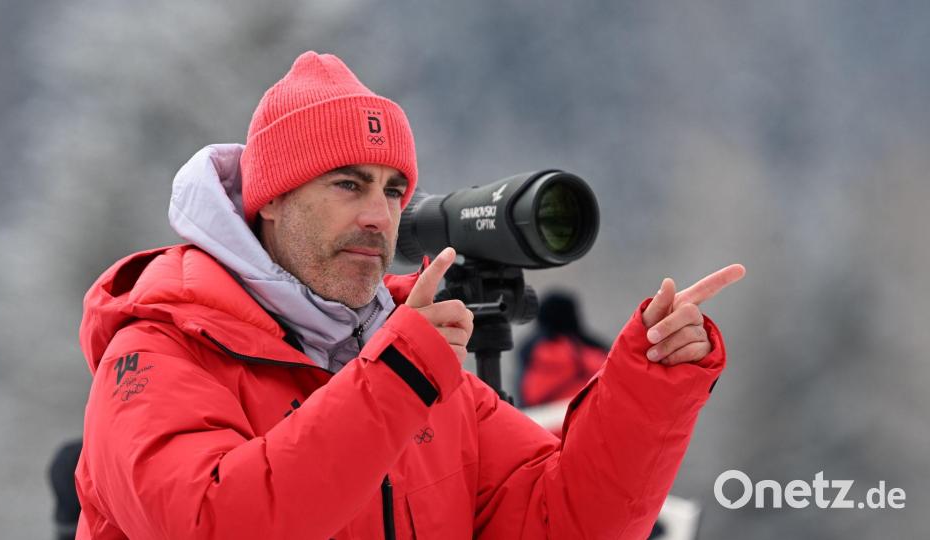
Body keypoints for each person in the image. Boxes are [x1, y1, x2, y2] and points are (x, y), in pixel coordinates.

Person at [74, 51, 745, 539]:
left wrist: (649, 382)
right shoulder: (157, 353)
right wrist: (397, 375)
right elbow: (213, 524)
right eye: (348, 184)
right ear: (271, 198)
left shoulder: (415, 362)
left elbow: (564, 519)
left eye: (394, 190)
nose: (379, 215)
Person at [518, 291, 610, 408]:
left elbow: (528, 398)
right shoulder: (597, 352)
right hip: (595, 413)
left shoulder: (535, 353)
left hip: (548, 421)